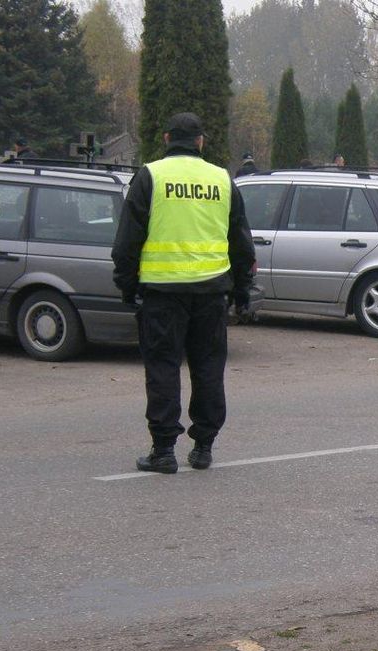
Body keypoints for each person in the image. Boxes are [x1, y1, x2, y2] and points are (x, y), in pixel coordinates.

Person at [111, 112, 256, 474]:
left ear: (165, 138)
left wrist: (127, 286)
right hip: (211, 292)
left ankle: (163, 451)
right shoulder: (222, 179)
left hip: (162, 293)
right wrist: (242, 293)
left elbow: (127, 241)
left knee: (163, 367)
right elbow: (240, 242)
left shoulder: (151, 176)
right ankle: (203, 446)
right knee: (208, 367)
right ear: (200, 142)